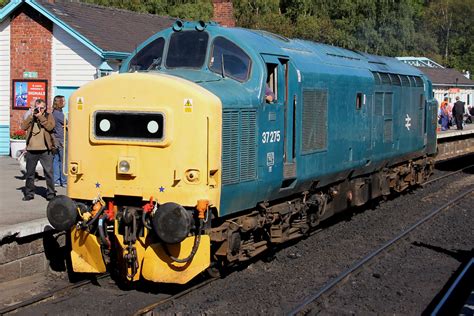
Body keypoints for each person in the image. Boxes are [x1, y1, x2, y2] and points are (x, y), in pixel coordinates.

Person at [20, 98, 56, 201]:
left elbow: (50, 127)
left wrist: (41, 117)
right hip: (32, 150)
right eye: (37, 108)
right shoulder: (31, 117)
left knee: (48, 173)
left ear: (45, 108)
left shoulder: (49, 116)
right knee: (30, 173)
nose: (39, 110)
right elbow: (23, 127)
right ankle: (29, 194)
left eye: (41, 108)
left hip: (45, 150)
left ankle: (51, 194)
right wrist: (32, 116)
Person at [52, 95, 67, 187]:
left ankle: (56, 180)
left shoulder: (54, 113)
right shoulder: (59, 114)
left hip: (56, 139)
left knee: (56, 160)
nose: (65, 102)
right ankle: (64, 181)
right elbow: (68, 122)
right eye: (64, 101)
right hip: (62, 139)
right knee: (63, 161)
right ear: (60, 103)